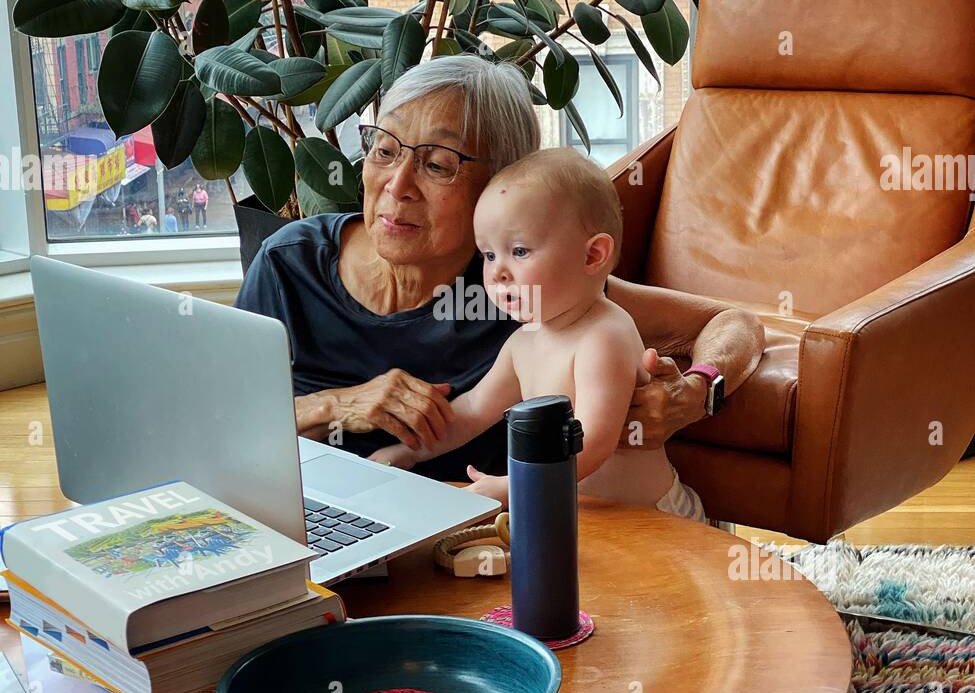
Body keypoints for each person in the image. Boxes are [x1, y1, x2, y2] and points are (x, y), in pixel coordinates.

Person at [235, 55, 764, 485]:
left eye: (437, 164)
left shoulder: (527, 284)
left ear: (499, 187)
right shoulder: (291, 264)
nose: (397, 185)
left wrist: (697, 391)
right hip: (310, 524)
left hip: (480, 535)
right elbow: (221, 425)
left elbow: (733, 323)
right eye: (385, 150)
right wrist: (335, 405)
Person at [372, 148, 705, 519]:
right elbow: (473, 410)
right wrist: (410, 451)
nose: (498, 272)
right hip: (579, 514)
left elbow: (593, 441)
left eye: (518, 251)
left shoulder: (604, 336)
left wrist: (516, 484)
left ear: (592, 256)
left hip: (651, 519)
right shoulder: (524, 341)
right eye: (489, 255)